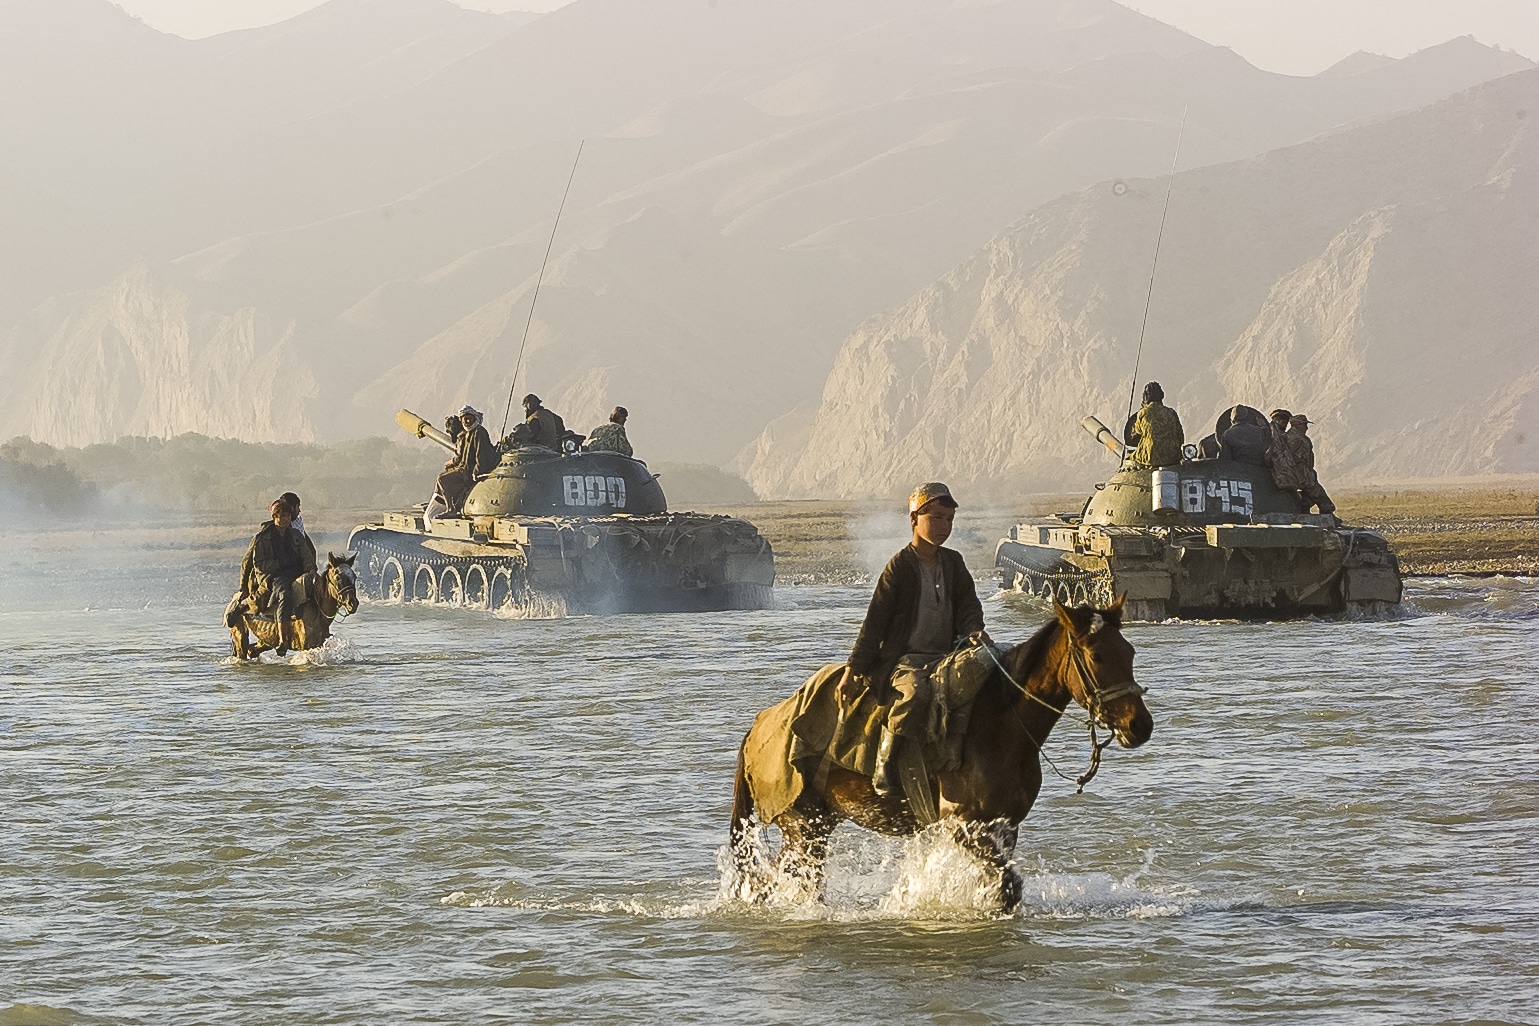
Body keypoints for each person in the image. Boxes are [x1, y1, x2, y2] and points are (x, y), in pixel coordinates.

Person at [837, 482, 989, 795]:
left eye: (948, 519)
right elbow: (874, 624)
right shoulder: (899, 567)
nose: (944, 526)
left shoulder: (954, 563)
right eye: (935, 518)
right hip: (906, 659)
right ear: (913, 519)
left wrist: (974, 629)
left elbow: (969, 607)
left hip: (948, 655)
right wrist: (855, 669)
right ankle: (885, 764)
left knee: (990, 673)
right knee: (915, 694)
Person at [239, 496, 317, 655]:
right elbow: (257, 563)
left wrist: (311, 570)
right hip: (274, 577)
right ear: (275, 517)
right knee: (284, 595)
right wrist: (280, 564)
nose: (286, 519)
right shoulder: (263, 537)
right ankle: (283, 639)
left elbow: (307, 554)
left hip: (295, 574)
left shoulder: (295, 534)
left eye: (288, 516)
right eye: (282, 516)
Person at [427, 405, 497, 522]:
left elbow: (481, 454)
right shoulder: (469, 432)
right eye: (465, 419)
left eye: (470, 418)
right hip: (464, 468)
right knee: (444, 477)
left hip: (470, 470)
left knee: (442, 479)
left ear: (475, 417)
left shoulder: (479, 432)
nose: (468, 421)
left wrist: (476, 472)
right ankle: (445, 506)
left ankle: (451, 509)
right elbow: (462, 456)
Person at [1285, 414, 1336, 516]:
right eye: (1304, 424)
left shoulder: (1299, 437)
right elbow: (1290, 457)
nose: (1306, 427)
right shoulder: (1294, 438)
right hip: (1302, 474)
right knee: (1323, 500)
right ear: (1297, 425)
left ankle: (1304, 513)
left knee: (1307, 499)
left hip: (1305, 472)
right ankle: (1327, 519)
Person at [1124, 382, 1184, 467]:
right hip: (1173, 457)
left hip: (1150, 458)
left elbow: (1135, 434)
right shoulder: (1171, 413)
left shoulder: (1143, 413)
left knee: (1129, 461)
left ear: (1145, 396)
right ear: (1161, 395)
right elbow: (1181, 438)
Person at [1266, 409, 1308, 492]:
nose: (1284, 422)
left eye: (1286, 420)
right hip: (1278, 474)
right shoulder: (1270, 434)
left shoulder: (1284, 436)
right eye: (1282, 419)